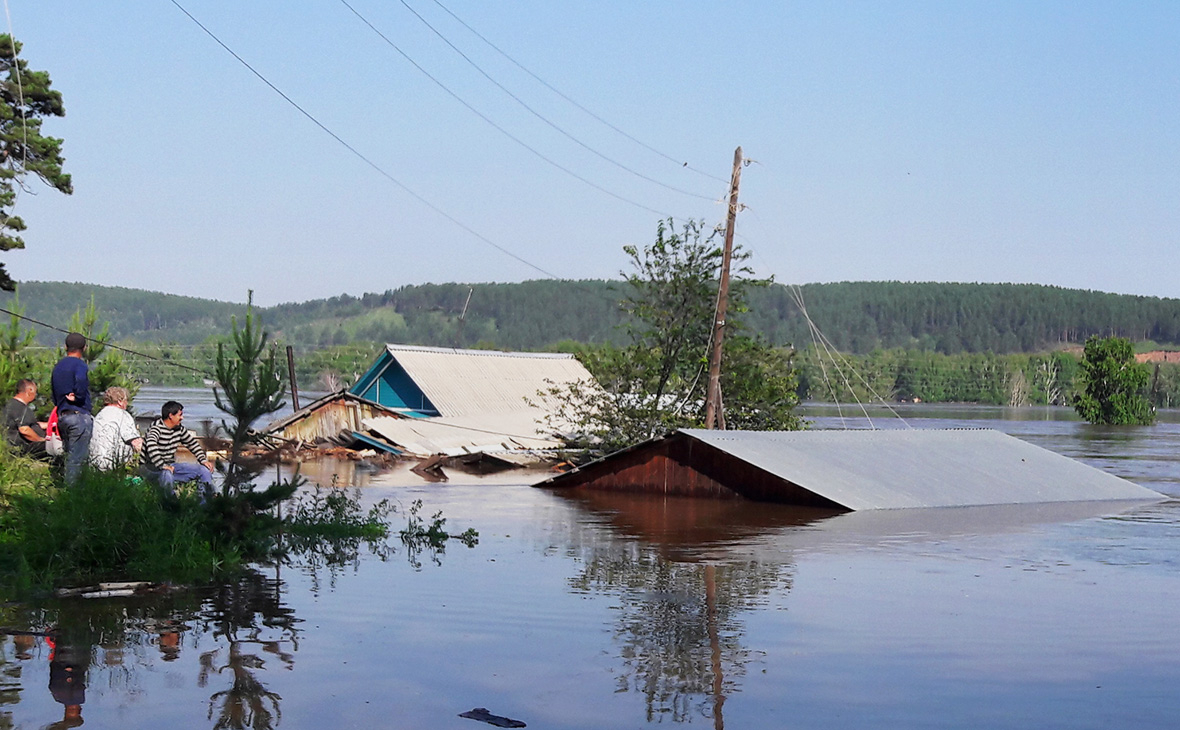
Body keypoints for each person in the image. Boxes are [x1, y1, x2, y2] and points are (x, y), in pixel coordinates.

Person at [142, 400, 214, 495]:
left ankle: (205, 502)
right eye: (180, 415)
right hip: (151, 468)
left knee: (203, 470)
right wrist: (163, 465)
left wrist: (203, 460)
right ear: (171, 416)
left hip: (171, 465)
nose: (182, 418)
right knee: (166, 474)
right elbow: (151, 446)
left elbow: (192, 443)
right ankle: (170, 503)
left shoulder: (179, 429)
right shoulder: (156, 428)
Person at [51, 332, 93, 484]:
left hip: (63, 415)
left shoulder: (58, 367)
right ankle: (73, 496)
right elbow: (81, 381)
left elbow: (54, 394)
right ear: (84, 348)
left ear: (65, 347)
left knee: (69, 455)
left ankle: (65, 487)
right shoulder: (80, 365)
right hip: (79, 416)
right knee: (78, 460)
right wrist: (79, 397)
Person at [88, 386, 143, 471]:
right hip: (113, 465)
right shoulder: (123, 415)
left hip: (94, 464)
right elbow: (137, 444)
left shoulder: (99, 415)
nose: (126, 404)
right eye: (126, 401)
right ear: (120, 402)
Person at [4, 378, 48, 458]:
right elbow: (24, 430)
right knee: (56, 446)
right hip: (21, 448)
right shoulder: (19, 407)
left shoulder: (13, 405)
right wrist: (40, 440)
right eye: (35, 392)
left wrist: (50, 424)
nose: (35, 396)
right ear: (29, 391)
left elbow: (32, 424)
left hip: (18, 446)